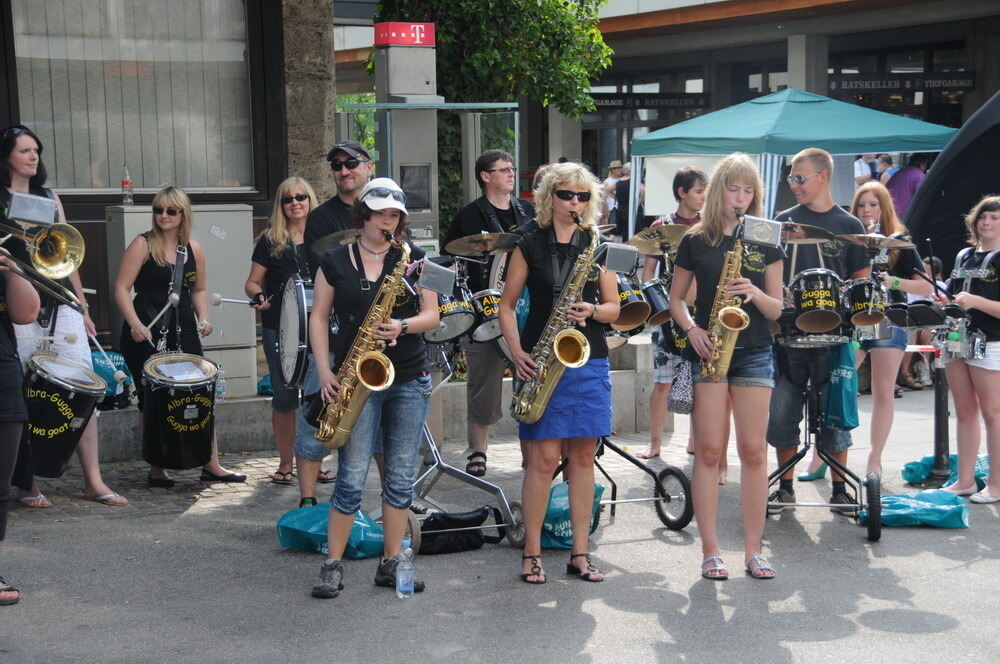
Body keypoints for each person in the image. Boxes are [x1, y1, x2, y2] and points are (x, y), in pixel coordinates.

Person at [309, 178, 438, 599]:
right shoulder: (333, 259)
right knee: (350, 478)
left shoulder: (414, 257)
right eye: (382, 213)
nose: (389, 221)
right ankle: (333, 564)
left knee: (400, 479)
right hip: (355, 377)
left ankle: (391, 561)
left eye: (395, 215)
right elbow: (317, 317)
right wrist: (325, 370)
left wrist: (402, 324)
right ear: (363, 213)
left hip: (408, 376)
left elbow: (432, 315)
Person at [498, 161, 619, 585]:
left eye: (583, 196)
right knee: (545, 461)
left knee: (583, 458)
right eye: (566, 195)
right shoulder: (528, 242)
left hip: (589, 357)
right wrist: (516, 353)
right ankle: (531, 553)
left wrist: (593, 310)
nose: (575, 203)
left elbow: (614, 308)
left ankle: (580, 553)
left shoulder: (597, 243)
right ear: (549, 198)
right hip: (541, 357)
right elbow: (507, 305)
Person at [669, 153, 784, 580]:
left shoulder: (767, 238)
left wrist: (753, 291)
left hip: (753, 349)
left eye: (748, 189)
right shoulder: (696, 239)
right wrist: (692, 330)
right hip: (710, 350)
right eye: (733, 188)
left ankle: (754, 550)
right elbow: (676, 299)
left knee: (754, 452)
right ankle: (711, 549)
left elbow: (778, 310)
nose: (741, 197)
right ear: (719, 190)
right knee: (711, 452)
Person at [1, 124, 126, 508]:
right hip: (18, 303)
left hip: (60, 301)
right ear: (6, 155)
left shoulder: (48, 196)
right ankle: (27, 482)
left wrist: (82, 307)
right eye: (24, 151)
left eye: (35, 150)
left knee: (83, 389)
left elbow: (66, 253)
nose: (33, 156)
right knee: (29, 392)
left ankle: (93, 479)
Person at [114, 186, 245, 487]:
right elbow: (121, 288)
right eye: (159, 209)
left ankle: (211, 463)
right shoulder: (142, 244)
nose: (163, 215)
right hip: (147, 330)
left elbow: (197, 290)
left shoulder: (193, 250)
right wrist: (135, 325)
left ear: (183, 214)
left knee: (200, 392)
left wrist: (204, 318)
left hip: (183, 329)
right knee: (154, 398)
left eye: (171, 211)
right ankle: (158, 467)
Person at [767, 148, 869, 515]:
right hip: (789, 332)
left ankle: (840, 487)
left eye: (800, 178)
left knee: (836, 413)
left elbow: (861, 281)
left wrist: (862, 339)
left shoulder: (849, 225)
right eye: (791, 178)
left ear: (823, 176)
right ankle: (785, 485)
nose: (793, 185)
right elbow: (768, 272)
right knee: (782, 412)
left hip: (836, 334)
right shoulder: (783, 221)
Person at [441, 149, 535, 477]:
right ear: (485, 176)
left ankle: (531, 452)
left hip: (525, 308)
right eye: (504, 170)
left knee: (531, 379)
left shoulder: (528, 211)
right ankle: (477, 451)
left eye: (512, 168)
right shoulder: (469, 217)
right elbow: (450, 261)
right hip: (486, 309)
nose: (511, 174)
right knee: (483, 382)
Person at [295, 141, 374, 507]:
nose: (343, 170)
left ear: (368, 166)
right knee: (317, 418)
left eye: (351, 163)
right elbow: (326, 274)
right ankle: (308, 503)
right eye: (336, 165)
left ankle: (382, 502)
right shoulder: (322, 218)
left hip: (377, 335)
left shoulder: (385, 208)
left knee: (379, 428)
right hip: (334, 332)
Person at [849, 182, 931, 476]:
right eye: (861, 205)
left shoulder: (899, 241)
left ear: (884, 207)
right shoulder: (852, 239)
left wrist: (894, 282)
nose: (867, 210)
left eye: (872, 204)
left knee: (883, 391)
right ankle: (830, 454)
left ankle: (874, 458)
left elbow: (925, 286)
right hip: (856, 318)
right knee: (841, 383)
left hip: (890, 317)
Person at [245, 177, 318, 485]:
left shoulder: (325, 237)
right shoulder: (270, 240)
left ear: (310, 200)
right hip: (280, 327)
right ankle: (286, 462)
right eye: (288, 199)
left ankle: (314, 461)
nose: (295, 203)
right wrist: (257, 296)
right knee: (285, 397)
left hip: (320, 327)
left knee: (317, 396)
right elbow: (251, 283)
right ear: (281, 205)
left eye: (301, 197)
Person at [637, 166, 706, 461]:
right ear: (682, 192)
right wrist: (654, 303)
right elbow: (648, 273)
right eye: (699, 191)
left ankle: (695, 440)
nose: (704, 197)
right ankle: (655, 442)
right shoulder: (661, 225)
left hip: (702, 313)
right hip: (667, 314)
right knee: (663, 382)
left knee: (701, 379)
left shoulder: (708, 224)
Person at [937, 196, 1000, 503]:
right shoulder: (964, 255)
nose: (986, 222)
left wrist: (976, 302)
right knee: (964, 410)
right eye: (983, 217)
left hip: (990, 340)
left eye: (995, 218)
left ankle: (997, 484)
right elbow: (950, 294)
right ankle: (964, 480)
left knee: (992, 412)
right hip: (955, 337)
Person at [0, 227, 42, 606]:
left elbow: (27, 313)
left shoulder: (5, 254)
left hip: (2, 376)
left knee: (0, 484)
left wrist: (13, 269)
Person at [886, 153, 929, 220]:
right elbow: (923, 198)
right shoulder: (920, 176)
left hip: (890, 214)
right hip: (906, 217)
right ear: (922, 165)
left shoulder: (897, 174)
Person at [601, 159, 623, 226]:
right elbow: (603, 197)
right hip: (611, 208)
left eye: (621, 168)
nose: (621, 169)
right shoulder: (607, 182)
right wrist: (606, 210)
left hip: (621, 207)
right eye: (618, 168)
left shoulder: (622, 180)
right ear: (613, 169)